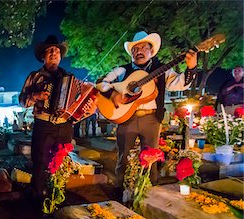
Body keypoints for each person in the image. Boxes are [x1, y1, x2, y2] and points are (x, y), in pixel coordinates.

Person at [97, 31, 197, 201]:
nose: (139, 51)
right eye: (136, 48)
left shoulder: (162, 71)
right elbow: (101, 83)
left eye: (144, 47)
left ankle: (151, 193)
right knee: (123, 157)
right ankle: (119, 191)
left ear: (152, 51)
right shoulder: (122, 70)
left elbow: (182, 83)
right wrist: (113, 94)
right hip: (126, 117)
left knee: (151, 157)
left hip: (151, 119)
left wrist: (191, 66)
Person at [19, 35, 97, 202]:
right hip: (43, 124)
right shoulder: (35, 76)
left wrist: (89, 110)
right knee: (40, 163)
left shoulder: (70, 78)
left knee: (60, 162)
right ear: (43, 56)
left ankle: (57, 198)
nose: (53, 53)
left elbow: (78, 108)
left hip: (65, 126)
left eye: (56, 51)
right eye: (49, 51)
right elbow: (21, 101)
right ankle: (38, 199)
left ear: (61, 56)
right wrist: (36, 95)